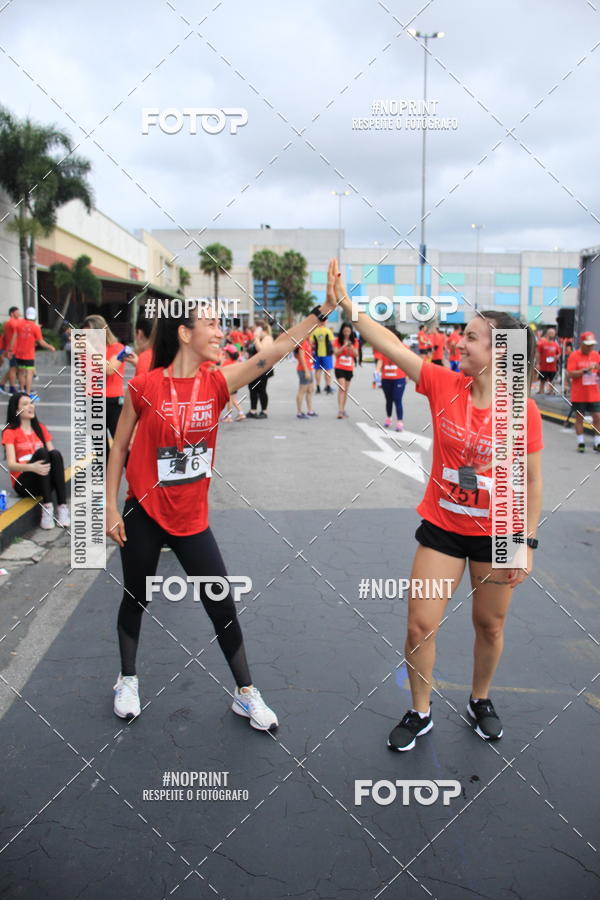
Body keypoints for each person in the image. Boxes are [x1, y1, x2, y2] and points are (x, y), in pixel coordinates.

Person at [329, 258, 543, 751]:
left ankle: (480, 699)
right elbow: (388, 343)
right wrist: (348, 307)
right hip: (443, 527)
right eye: (462, 334)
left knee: (489, 625)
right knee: (420, 623)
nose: (458, 342)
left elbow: (532, 483)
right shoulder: (443, 383)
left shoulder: (521, 409)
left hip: (500, 531)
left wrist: (526, 540)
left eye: (470, 337)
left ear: (498, 352)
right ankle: (419, 710)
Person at [105, 295, 337, 727]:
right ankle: (128, 679)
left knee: (221, 600)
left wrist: (321, 313)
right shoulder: (144, 386)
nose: (219, 332)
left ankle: (245, 693)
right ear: (184, 333)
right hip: (144, 511)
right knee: (136, 596)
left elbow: (273, 351)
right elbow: (119, 446)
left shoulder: (215, 382)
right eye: (211, 324)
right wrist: (109, 506)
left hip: (191, 520)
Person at [2, 392, 70, 529]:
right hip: (24, 482)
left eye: (31, 403)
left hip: (43, 478)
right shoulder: (10, 432)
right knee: (42, 452)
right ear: (16, 409)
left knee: (54, 453)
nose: (30, 407)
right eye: (25, 404)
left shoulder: (40, 428)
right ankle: (47, 510)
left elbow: (53, 456)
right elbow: (11, 465)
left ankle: (62, 508)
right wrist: (32, 467)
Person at [82, 314, 135, 459]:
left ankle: (136, 479)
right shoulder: (86, 352)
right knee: (101, 451)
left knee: (123, 447)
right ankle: (106, 481)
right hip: (92, 402)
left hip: (112, 402)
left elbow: (109, 370)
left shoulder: (118, 348)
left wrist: (89, 348)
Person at [566, 331, 600, 452]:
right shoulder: (574, 356)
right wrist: (584, 371)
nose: (590, 347)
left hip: (593, 393)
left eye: (592, 345)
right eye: (588, 344)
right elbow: (570, 373)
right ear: (582, 343)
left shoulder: (596, 355)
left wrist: (598, 368)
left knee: (597, 417)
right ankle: (580, 443)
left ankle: (597, 442)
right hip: (579, 393)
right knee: (580, 418)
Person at [10, 307, 56, 395]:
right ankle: (27, 393)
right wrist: (50, 347)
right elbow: (41, 342)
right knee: (29, 373)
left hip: (19, 353)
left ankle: (21, 390)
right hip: (28, 355)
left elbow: (14, 337)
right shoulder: (35, 327)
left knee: (21, 372)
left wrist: (10, 350)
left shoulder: (19, 324)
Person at [374, 328, 407, 432]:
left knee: (397, 399)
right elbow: (379, 364)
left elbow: (409, 363)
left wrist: (409, 376)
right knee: (389, 400)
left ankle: (400, 422)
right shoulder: (383, 349)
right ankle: (388, 418)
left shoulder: (404, 348)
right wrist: (376, 377)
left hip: (399, 379)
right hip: (386, 379)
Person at [246, 320, 274, 419]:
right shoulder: (259, 338)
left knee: (261, 389)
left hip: (263, 368)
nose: (253, 330)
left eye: (255, 328)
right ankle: (253, 410)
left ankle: (264, 411)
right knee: (252, 389)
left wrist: (257, 338)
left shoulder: (267, 338)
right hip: (254, 368)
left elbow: (261, 351)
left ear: (260, 328)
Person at [333, 322, 359, 419]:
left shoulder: (355, 341)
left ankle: (343, 409)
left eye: (348, 331)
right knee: (342, 388)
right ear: (342, 331)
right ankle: (340, 410)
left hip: (349, 368)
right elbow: (336, 353)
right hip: (339, 367)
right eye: (345, 331)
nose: (346, 333)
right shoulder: (337, 341)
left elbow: (356, 355)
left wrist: (351, 346)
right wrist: (344, 346)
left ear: (351, 331)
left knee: (346, 390)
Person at [220, 344, 246, 421]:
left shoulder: (226, 362)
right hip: (235, 382)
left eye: (225, 351)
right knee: (234, 400)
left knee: (230, 401)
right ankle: (241, 413)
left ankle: (229, 417)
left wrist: (221, 360)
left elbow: (221, 370)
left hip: (229, 383)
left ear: (228, 353)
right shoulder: (235, 361)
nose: (223, 352)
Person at [0, 306, 21, 394]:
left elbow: (5, 337)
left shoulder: (9, 323)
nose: (19, 314)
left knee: (15, 368)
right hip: (13, 350)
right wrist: (9, 350)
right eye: (18, 312)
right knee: (13, 368)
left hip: (14, 349)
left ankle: (2, 384)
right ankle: (12, 388)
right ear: (12, 313)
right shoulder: (13, 323)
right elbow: (13, 336)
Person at [295, 335, 317, 419]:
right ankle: (299, 412)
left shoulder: (307, 341)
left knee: (310, 390)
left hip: (309, 368)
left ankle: (310, 410)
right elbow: (301, 356)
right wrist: (306, 370)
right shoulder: (303, 342)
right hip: (304, 369)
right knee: (302, 390)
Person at [311, 321, 335, 394]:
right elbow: (332, 343)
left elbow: (311, 344)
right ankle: (328, 386)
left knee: (317, 370)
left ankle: (318, 387)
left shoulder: (314, 332)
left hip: (317, 354)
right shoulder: (328, 331)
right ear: (325, 321)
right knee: (327, 371)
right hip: (327, 354)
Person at [536, 325, 561, 395]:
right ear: (547, 334)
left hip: (552, 366)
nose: (551, 335)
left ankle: (551, 391)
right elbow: (538, 353)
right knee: (542, 379)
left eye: (553, 333)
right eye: (550, 333)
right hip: (544, 365)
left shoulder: (556, 345)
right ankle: (541, 390)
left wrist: (556, 357)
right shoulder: (542, 343)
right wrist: (537, 363)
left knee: (552, 379)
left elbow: (559, 353)